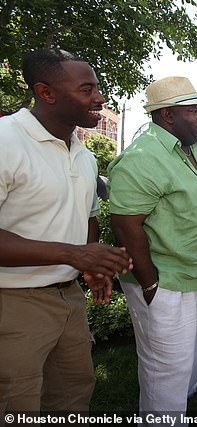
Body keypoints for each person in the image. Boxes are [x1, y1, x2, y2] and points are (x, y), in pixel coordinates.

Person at [0, 48, 132, 415]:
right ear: (46, 93)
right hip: (12, 302)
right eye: (87, 89)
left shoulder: (84, 154)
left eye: (97, 88)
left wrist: (89, 262)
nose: (100, 98)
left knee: (72, 399)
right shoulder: (5, 141)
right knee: (15, 406)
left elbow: (88, 215)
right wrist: (73, 254)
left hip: (69, 299)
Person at [108, 76, 197, 423]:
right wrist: (151, 284)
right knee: (165, 368)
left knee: (186, 360)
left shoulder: (188, 146)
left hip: (194, 275)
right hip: (163, 281)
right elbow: (125, 226)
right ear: (168, 116)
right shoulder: (142, 157)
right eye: (193, 111)